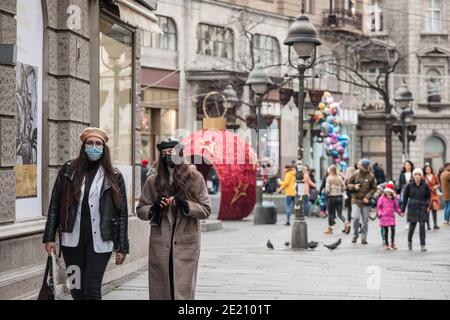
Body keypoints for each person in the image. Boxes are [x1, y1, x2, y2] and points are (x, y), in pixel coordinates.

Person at [43, 127, 129, 300]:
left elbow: (122, 213)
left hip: (101, 241)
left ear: (104, 148)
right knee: (76, 289)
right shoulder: (68, 170)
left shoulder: (114, 175)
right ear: (83, 146)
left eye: (98, 144)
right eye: (90, 143)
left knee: (92, 290)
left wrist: (122, 247)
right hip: (71, 242)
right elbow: (55, 204)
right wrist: (49, 236)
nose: (94, 147)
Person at [136, 138, 211, 300]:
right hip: (160, 241)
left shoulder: (195, 178)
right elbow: (141, 210)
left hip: (186, 242)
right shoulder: (152, 181)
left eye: (172, 153)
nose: (168, 157)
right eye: (164, 154)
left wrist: (185, 204)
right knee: (161, 288)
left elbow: (206, 210)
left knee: (182, 290)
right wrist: (154, 207)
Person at [347, 159, 377, 245]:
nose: (358, 166)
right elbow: (348, 184)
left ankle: (364, 237)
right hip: (355, 200)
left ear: (365, 166)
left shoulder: (371, 176)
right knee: (356, 218)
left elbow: (374, 188)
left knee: (365, 220)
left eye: (360, 165)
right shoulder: (355, 174)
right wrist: (353, 186)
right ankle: (355, 235)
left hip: (365, 201)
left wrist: (368, 197)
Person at [401, 168, 431, 252]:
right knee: (412, 227)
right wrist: (402, 210)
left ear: (421, 176)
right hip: (412, 207)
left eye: (419, 174)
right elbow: (405, 199)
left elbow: (428, 196)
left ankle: (422, 245)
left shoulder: (425, 185)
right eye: (415, 174)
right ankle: (409, 241)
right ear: (413, 176)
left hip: (422, 207)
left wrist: (428, 205)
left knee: (422, 226)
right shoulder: (409, 185)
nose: (417, 176)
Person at [376, 182, 404, 250]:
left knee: (393, 230)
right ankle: (386, 243)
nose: (388, 193)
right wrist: (380, 213)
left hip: (391, 217)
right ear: (385, 191)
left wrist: (400, 213)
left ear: (392, 192)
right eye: (387, 191)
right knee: (386, 231)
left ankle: (392, 242)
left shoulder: (394, 199)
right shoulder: (382, 198)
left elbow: (397, 207)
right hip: (384, 217)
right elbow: (379, 206)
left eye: (389, 192)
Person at [324, 165, 349, 234]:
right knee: (340, 214)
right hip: (340, 197)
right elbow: (344, 187)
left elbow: (327, 189)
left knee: (330, 214)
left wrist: (326, 192)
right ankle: (346, 222)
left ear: (331, 171)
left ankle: (330, 229)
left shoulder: (329, 178)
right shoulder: (339, 178)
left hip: (332, 197)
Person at [423, 165, 440, 230]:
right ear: (425, 170)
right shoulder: (424, 178)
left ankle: (435, 224)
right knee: (427, 210)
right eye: (426, 169)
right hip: (427, 195)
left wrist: (436, 187)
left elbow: (438, 184)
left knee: (434, 209)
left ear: (431, 170)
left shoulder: (435, 176)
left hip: (434, 195)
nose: (428, 170)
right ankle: (428, 225)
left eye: (429, 169)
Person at [344, 166, 356, 232]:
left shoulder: (347, 179)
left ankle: (348, 225)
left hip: (348, 196)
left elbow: (344, 188)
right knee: (354, 212)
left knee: (349, 211)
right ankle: (358, 225)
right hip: (354, 196)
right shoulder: (356, 178)